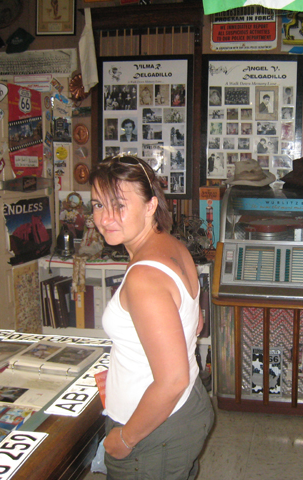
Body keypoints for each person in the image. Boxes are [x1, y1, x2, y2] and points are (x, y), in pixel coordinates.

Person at [89, 155, 214, 479]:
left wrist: (124, 439)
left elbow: (172, 381)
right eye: (97, 205)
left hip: (153, 431)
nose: (105, 218)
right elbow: (196, 322)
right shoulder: (172, 246)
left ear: (150, 205)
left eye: (118, 204)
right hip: (185, 410)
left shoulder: (144, 277)